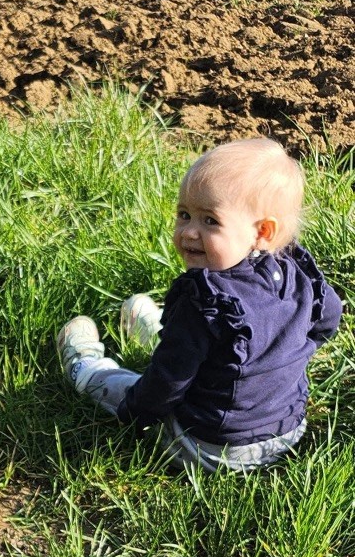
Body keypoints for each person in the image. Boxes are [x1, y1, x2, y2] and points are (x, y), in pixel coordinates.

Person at [57, 138, 343, 472]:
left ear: (261, 231)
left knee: (129, 382)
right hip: (286, 432)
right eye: (184, 214)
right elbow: (327, 320)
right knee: (204, 342)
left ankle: (85, 367)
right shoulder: (294, 273)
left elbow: (165, 386)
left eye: (210, 220)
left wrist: (135, 413)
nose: (189, 232)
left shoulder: (204, 300)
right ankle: (173, 337)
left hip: (210, 447)